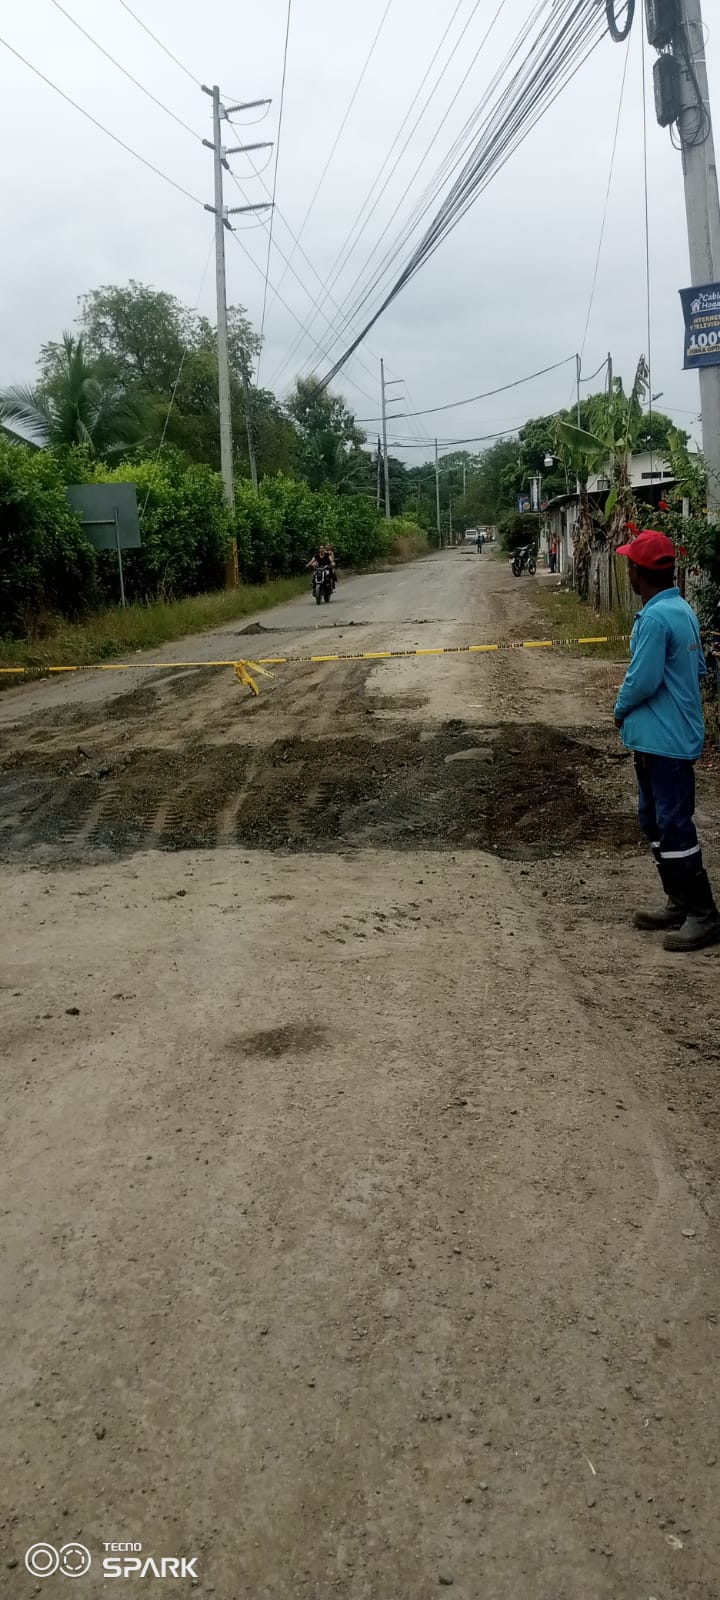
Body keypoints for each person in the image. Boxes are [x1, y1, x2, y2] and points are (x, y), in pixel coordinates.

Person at [614, 528, 720, 952]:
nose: (628, 573)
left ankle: (704, 914)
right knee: (654, 820)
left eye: (629, 566)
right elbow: (697, 671)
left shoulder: (657, 619)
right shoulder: (680, 609)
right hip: (663, 737)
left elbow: (642, 680)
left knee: (673, 825)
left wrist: (619, 709)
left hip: (666, 741)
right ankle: (679, 900)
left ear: (638, 572)